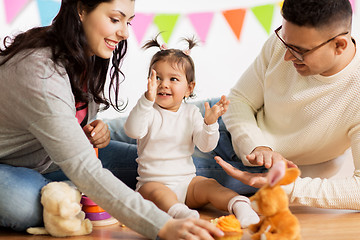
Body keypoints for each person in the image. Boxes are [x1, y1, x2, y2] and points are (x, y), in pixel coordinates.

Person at [0, 0, 225, 239]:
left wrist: (89, 129)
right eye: (115, 19)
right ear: (81, 10)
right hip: (10, 163)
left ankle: (75, 191)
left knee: (165, 168)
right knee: (24, 204)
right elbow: (83, 165)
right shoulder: (41, 72)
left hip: (51, 158)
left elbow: (67, 121)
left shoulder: (89, 52)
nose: (125, 32)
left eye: (128, 22)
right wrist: (162, 226)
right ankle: (76, 190)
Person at [215, 0, 360, 210]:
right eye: (285, 41)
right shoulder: (287, 41)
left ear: (339, 45)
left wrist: (287, 187)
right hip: (222, 123)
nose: (287, 56)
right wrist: (259, 147)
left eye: (300, 50)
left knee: (157, 175)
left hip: (259, 171)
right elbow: (238, 100)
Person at [123, 36, 260, 228]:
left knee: (211, 185)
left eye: (173, 79)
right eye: (158, 78)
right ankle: (179, 212)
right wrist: (146, 100)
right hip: (153, 183)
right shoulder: (147, 110)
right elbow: (133, 130)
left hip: (187, 183)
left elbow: (206, 145)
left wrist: (210, 123)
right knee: (155, 193)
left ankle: (241, 206)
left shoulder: (191, 112)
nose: (164, 84)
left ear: (189, 88)